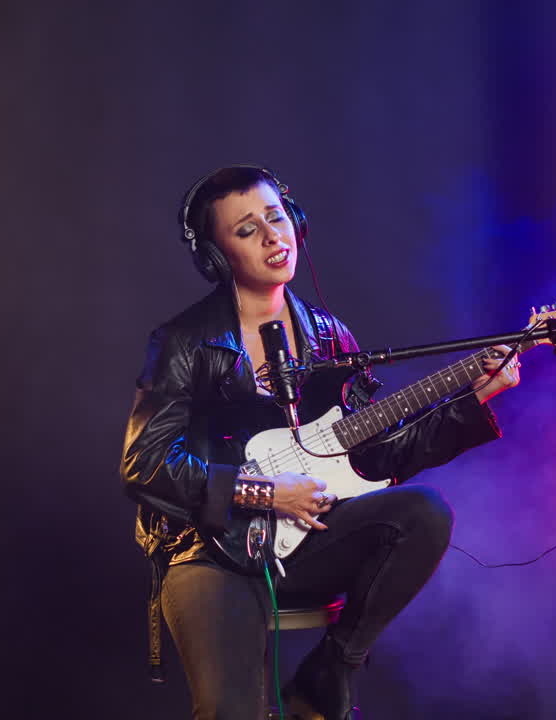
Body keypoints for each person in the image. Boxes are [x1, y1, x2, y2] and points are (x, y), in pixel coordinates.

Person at [120, 166, 521, 720]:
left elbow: (379, 458)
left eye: (277, 217)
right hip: (206, 552)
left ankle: (331, 671)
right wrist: (264, 492)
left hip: (306, 544)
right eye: (246, 229)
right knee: (229, 712)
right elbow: (144, 464)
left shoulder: (329, 336)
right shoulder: (183, 342)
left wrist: (473, 400)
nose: (272, 236)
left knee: (423, 512)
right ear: (216, 257)